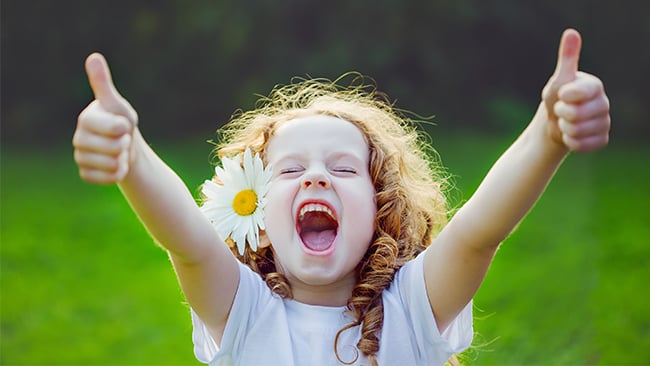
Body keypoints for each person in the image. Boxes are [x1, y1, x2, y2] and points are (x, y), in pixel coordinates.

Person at [72, 28, 610, 365]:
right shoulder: (246, 314)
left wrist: (548, 135)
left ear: (382, 208)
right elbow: (186, 239)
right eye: (289, 169)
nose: (316, 178)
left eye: (344, 167)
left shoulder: (412, 310)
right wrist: (132, 156)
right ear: (255, 211)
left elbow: (479, 231)